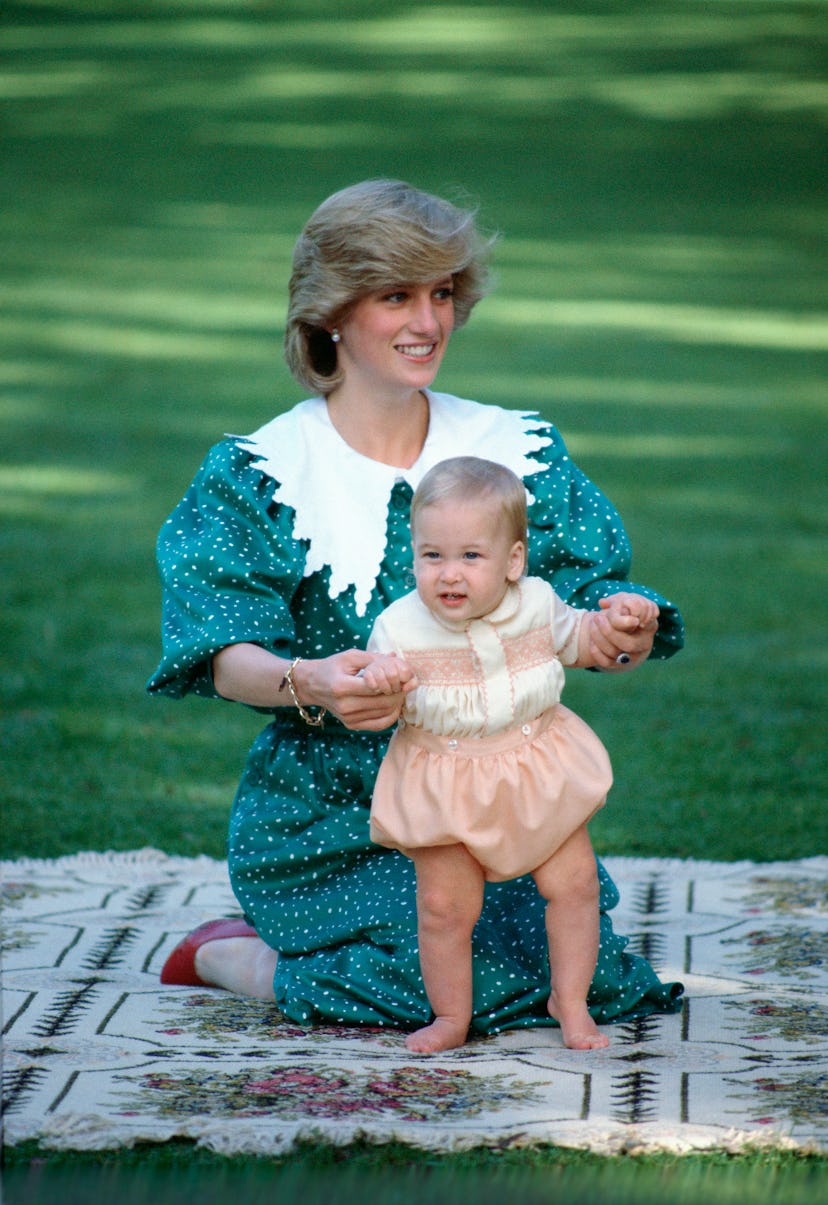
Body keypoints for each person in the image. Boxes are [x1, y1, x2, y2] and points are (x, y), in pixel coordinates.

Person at [150, 178, 685, 1042]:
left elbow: (586, 607)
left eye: (441, 294)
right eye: (396, 295)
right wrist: (306, 679)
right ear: (330, 314)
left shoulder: (513, 453)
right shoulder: (260, 473)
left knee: (581, 974)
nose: (429, 321)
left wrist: (624, 628)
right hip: (333, 806)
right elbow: (221, 652)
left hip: (494, 794)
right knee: (421, 978)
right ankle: (229, 954)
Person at [361, 456, 660, 1053]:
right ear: (413, 554)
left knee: (573, 886)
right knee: (445, 906)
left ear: (514, 562)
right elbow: (378, 703)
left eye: (471, 556)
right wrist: (381, 683)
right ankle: (451, 1016)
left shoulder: (537, 604)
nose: (450, 574)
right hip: (444, 775)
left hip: (533, 765)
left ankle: (569, 1004)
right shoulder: (398, 630)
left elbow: (582, 640)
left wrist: (622, 619)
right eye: (432, 555)